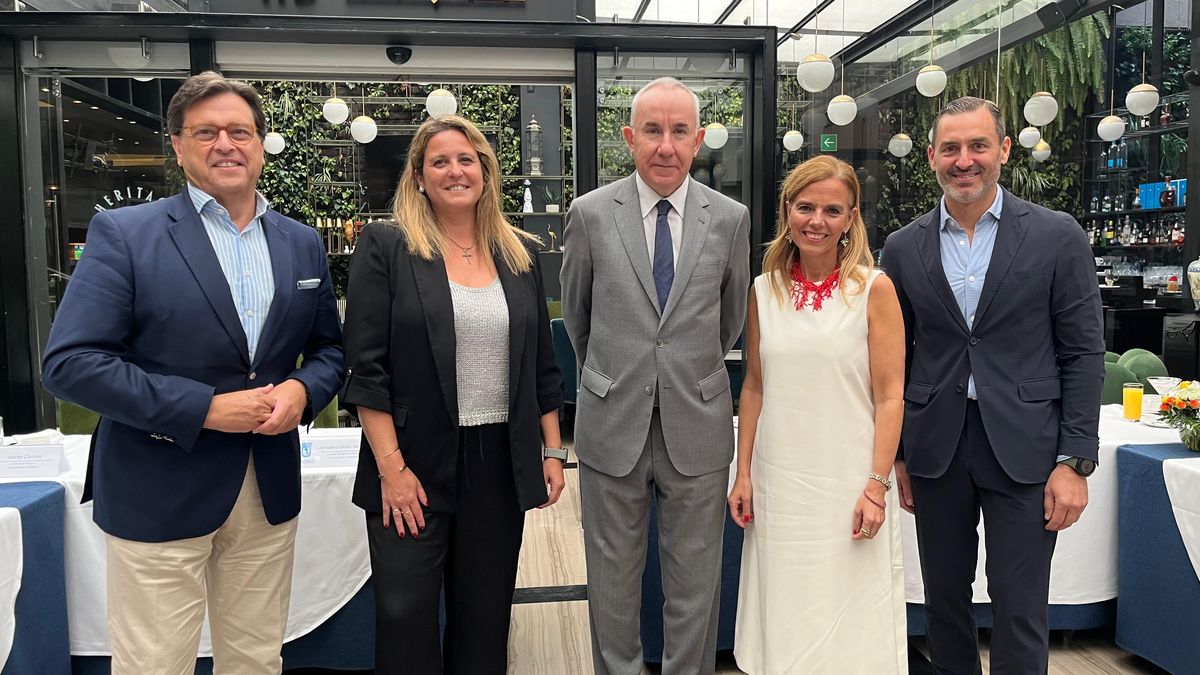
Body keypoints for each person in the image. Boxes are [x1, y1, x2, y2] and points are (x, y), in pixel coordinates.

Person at [41, 71, 344, 674]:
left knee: (256, 659)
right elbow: (71, 363)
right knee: (155, 664)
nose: (225, 144)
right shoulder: (126, 234)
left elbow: (329, 352)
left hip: (266, 486)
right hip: (159, 484)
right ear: (178, 146)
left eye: (239, 131)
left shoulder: (301, 243)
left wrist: (302, 389)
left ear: (260, 143)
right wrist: (202, 408)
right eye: (206, 133)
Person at [881, 96, 1104, 673]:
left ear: (1003, 149)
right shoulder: (902, 248)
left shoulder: (1057, 236)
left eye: (978, 145)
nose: (964, 160)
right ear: (931, 157)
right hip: (936, 448)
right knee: (942, 599)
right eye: (951, 148)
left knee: (1020, 601)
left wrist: (1075, 460)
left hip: (1028, 447)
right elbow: (894, 360)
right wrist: (898, 454)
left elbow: (1083, 353)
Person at [341, 114, 565, 674]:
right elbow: (366, 370)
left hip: (498, 466)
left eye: (467, 160)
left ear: (485, 172)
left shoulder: (519, 254)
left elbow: (542, 364)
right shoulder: (387, 247)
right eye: (439, 162)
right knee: (405, 618)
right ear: (419, 177)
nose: (455, 171)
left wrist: (553, 450)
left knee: (484, 621)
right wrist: (392, 470)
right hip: (409, 464)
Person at [561, 76, 751, 675]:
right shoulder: (590, 214)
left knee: (696, 582)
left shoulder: (731, 219)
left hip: (696, 423)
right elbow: (578, 319)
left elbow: (729, 321)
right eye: (652, 130)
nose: (665, 146)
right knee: (611, 581)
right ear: (629, 137)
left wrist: (680, 371)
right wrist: (621, 372)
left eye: (678, 131)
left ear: (698, 139)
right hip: (611, 420)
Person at [728, 155, 907, 673]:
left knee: (852, 610)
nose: (817, 221)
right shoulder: (764, 290)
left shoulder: (874, 289)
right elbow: (754, 386)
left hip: (850, 483)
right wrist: (743, 473)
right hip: (780, 484)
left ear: (851, 218)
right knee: (786, 607)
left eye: (832, 210)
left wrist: (876, 486)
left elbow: (890, 396)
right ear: (787, 210)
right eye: (806, 207)